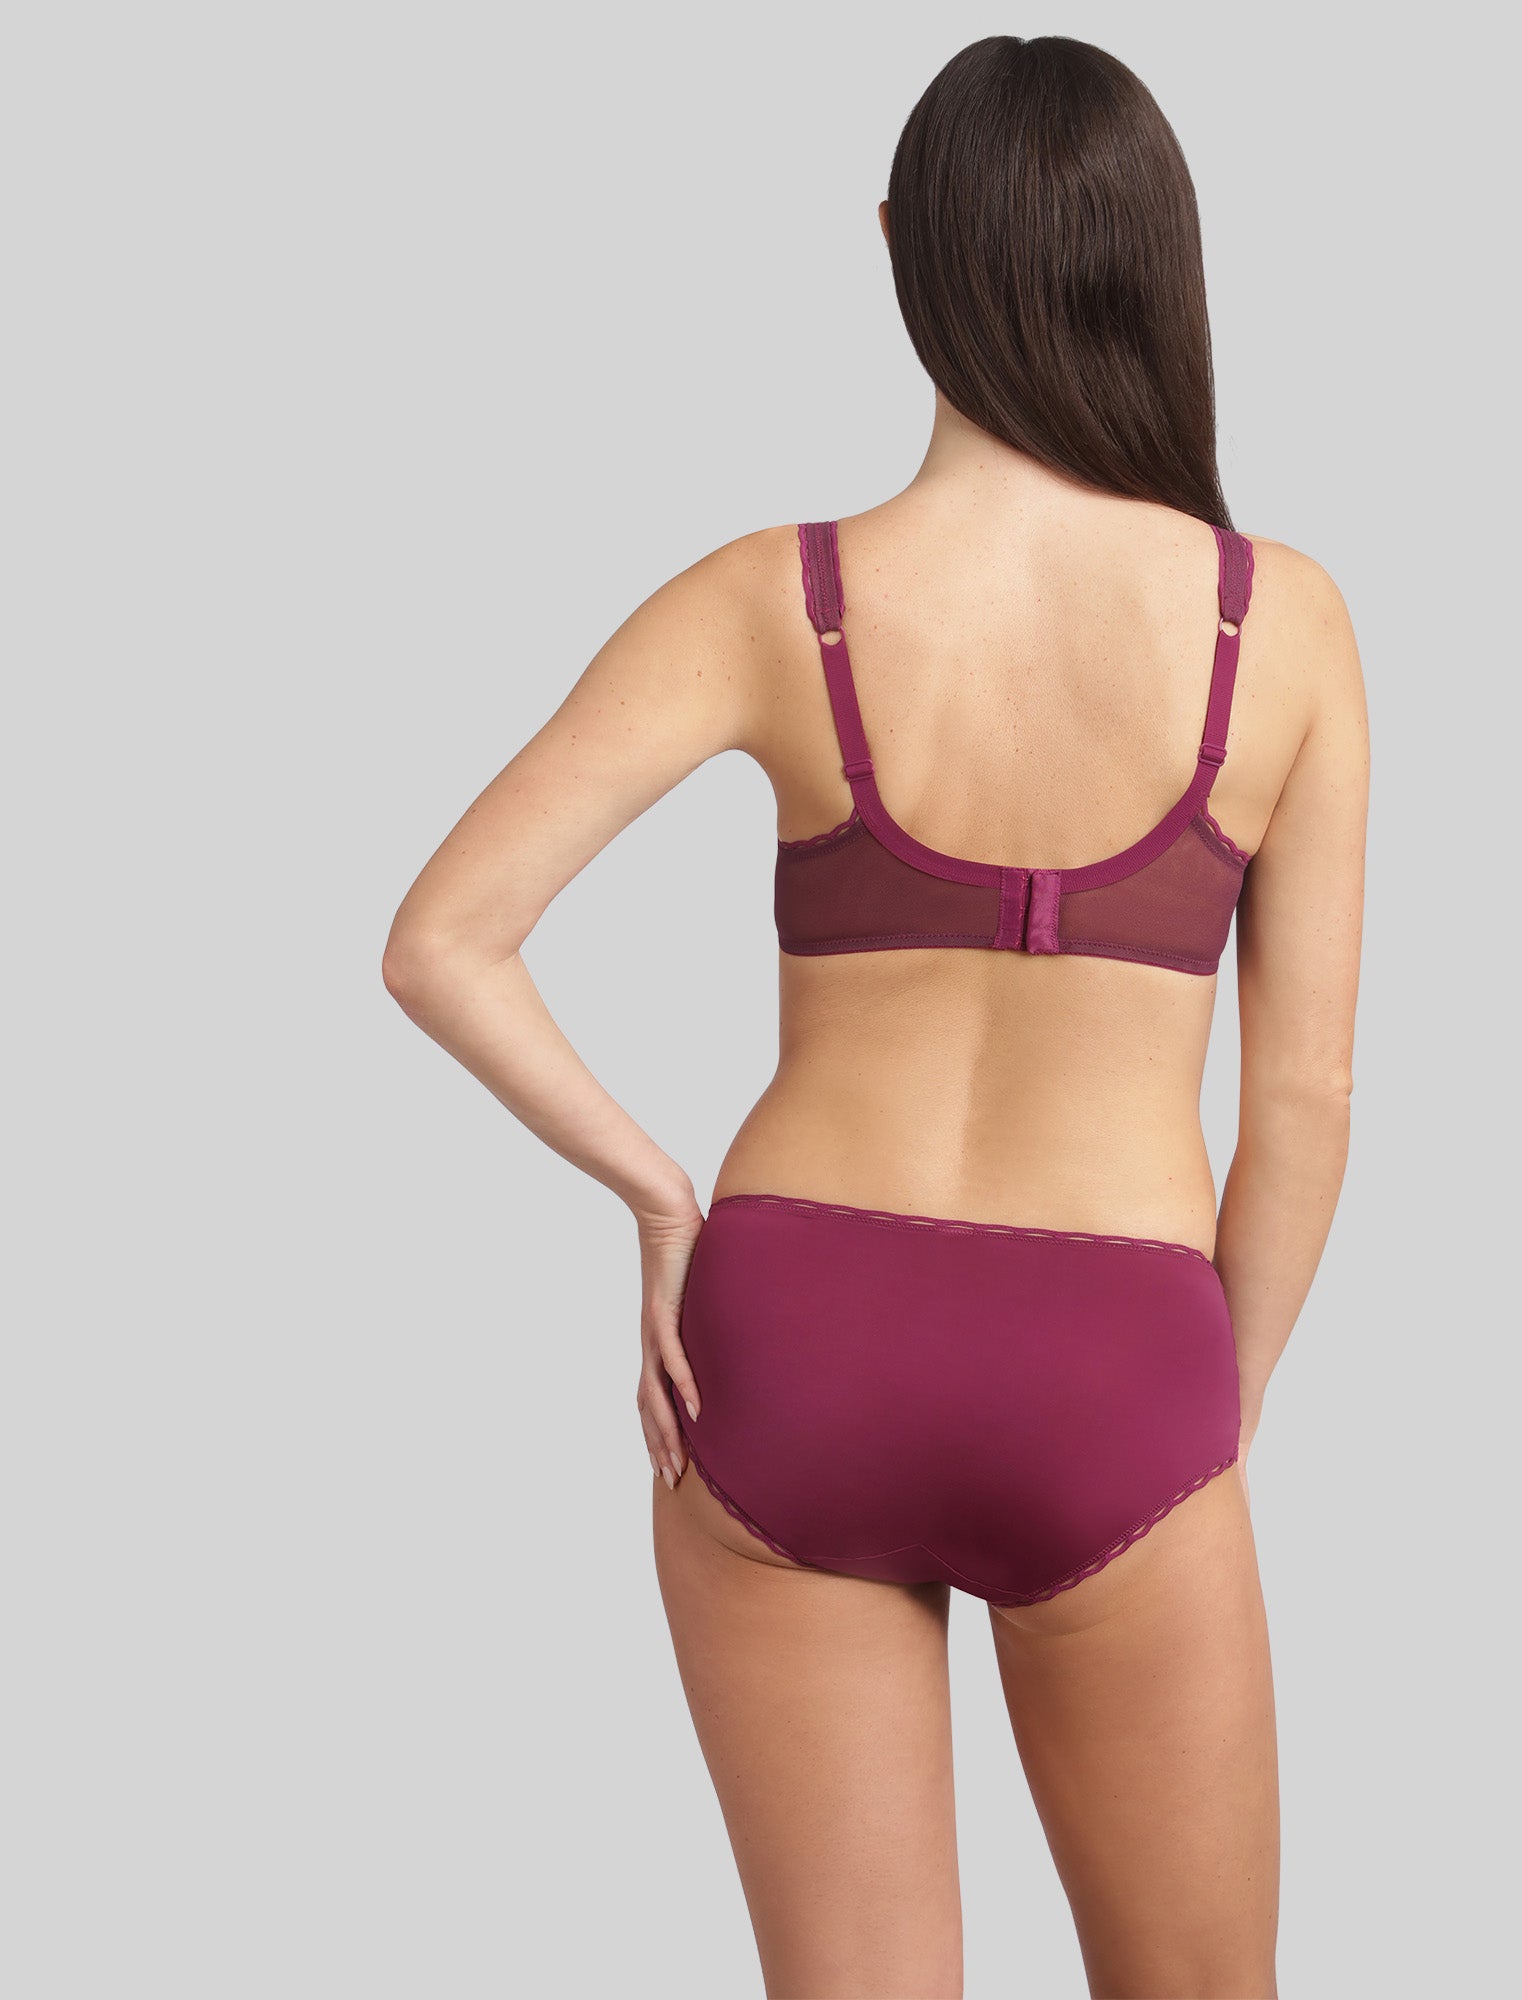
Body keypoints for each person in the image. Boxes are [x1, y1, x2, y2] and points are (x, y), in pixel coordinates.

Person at [384, 33, 1366, 2000]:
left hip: (790, 1342)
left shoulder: (777, 596)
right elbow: (1308, 1101)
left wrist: (661, 1200)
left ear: (903, 242)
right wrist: (1200, 1404)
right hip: (1112, 1356)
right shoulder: (1280, 627)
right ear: (1159, 261)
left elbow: (445, 940)